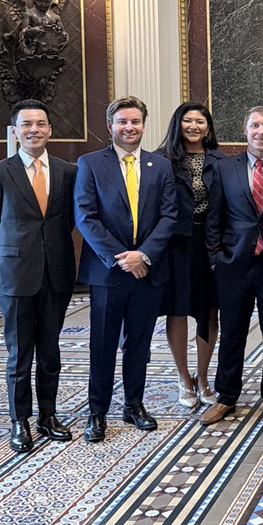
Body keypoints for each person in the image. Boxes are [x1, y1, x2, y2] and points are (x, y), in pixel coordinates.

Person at [0, 98, 77, 453]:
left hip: (58, 274)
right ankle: (19, 421)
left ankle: (48, 416)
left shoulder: (68, 171)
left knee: (50, 351)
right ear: (16, 131)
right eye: (27, 125)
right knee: (19, 353)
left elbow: (68, 221)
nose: (34, 130)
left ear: (50, 129)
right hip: (16, 276)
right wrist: (11, 254)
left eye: (40, 124)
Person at [75, 95, 178, 443]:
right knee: (102, 344)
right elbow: (85, 217)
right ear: (110, 126)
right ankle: (97, 412)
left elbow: (169, 216)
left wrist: (143, 255)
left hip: (148, 271)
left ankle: (133, 404)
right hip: (108, 273)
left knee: (139, 343)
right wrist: (122, 257)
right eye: (122, 122)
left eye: (135, 122)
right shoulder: (90, 163)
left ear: (144, 126)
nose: (129, 127)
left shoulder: (159, 166)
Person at [203, 106, 263, 426]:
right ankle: (226, 396)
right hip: (234, 264)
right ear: (245, 130)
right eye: (255, 125)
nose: (261, 131)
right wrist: (216, 258)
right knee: (232, 333)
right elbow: (214, 217)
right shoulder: (224, 169)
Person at [157, 102, 223, 409]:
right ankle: (184, 377)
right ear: (177, 124)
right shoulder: (160, 161)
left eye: (200, 121)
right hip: (175, 243)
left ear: (208, 127)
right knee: (178, 309)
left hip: (210, 242)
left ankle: (204, 376)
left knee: (209, 310)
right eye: (188, 120)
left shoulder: (221, 161)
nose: (194, 126)